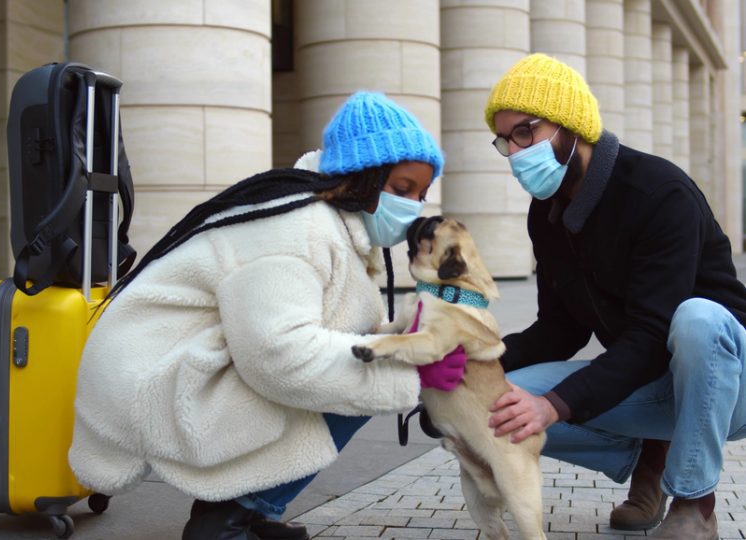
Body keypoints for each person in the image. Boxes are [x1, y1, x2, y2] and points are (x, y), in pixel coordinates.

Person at [68, 91, 467, 540]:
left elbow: (333, 326)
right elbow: (279, 356)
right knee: (358, 377)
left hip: (189, 363)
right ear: (364, 176)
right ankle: (226, 521)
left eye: (421, 193)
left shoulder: (333, 219)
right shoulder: (298, 228)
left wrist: (409, 337)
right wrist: (410, 373)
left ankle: (254, 512)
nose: (414, 205)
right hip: (149, 382)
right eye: (402, 189)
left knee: (365, 367)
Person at [483, 53, 746, 540]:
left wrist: (556, 406)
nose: (516, 152)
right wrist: (477, 364)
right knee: (492, 404)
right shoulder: (547, 213)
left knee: (696, 320)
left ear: (570, 126)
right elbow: (560, 329)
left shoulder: (658, 192)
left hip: (728, 380)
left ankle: (695, 503)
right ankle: (648, 454)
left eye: (527, 132)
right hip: (648, 380)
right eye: (506, 139)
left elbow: (651, 334)